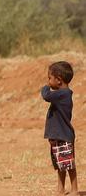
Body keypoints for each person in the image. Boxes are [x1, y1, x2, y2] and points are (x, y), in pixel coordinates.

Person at [42, 61, 78, 196]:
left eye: (49, 78)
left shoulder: (63, 94)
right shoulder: (63, 94)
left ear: (58, 80)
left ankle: (74, 190)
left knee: (69, 164)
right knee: (61, 165)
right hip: (59, 136)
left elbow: (46, 95)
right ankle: (61, 189)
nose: (48, 81)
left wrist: (45, 87)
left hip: (63, 135)